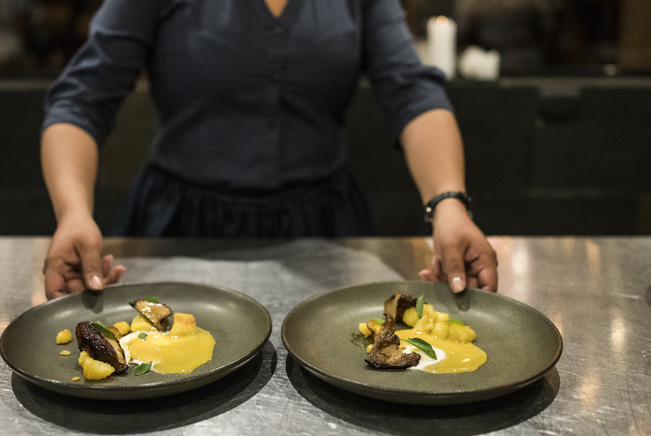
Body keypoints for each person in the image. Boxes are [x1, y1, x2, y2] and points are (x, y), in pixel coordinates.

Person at [40, 0, 498, 300]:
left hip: (325, 227)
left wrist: (449, 204)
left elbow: (412, 93)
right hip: (180, 226)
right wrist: (73, 213)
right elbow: (82, 98)